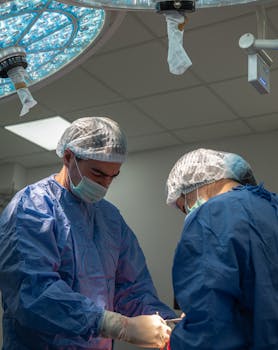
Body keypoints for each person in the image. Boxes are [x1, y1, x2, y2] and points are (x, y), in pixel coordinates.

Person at [0, 116, 176, 350]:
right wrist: (115, 325)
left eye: (113, 177)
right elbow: (33, 293)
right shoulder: (32, 208)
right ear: (68, 157)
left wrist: (167, 324)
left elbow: (132, 287)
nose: (105, 185)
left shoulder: (110, 218)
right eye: (98, 174)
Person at [165, 148, 278, 349]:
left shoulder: (210, 217)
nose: (188, 213)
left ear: (194, 187)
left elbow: (208, 327)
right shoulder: (272, 206)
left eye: (184, 207)